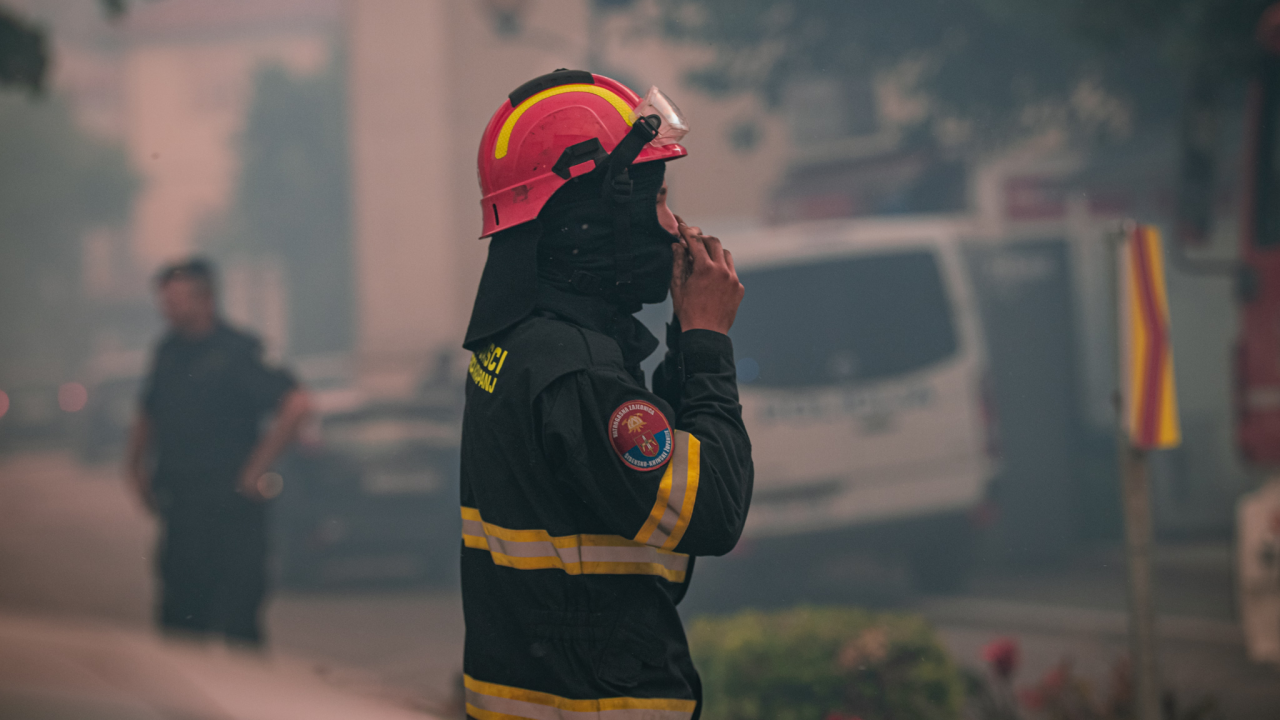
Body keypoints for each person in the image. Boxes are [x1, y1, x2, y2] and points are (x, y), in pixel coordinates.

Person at [459, 70, 753, 719]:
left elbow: (627, 486)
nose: (674, 226)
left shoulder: (520, 343)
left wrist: (679, 344)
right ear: (592, 217)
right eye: (656, 199)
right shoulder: (579, 373)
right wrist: (706, 341)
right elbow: (713, 512)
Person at [125, 258, 310, 647]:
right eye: (164, 301)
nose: (167, 309)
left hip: (232, 511)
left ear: (205, 299)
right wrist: (135, 467)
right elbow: (148, 411)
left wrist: (256, 469)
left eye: (176, 300)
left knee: (239, 623)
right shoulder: (167, 352)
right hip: (183, 509)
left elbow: (296, 405)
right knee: (180, 626)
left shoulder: (238, 351)